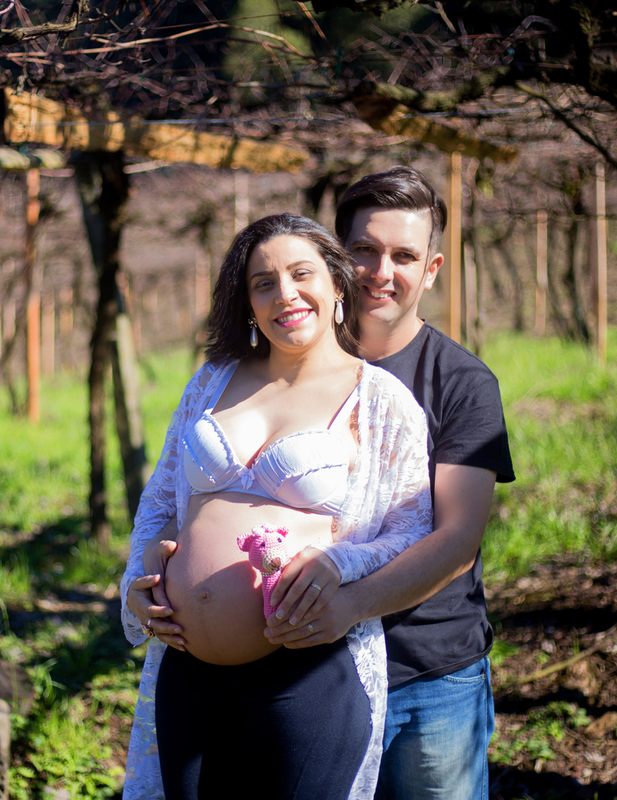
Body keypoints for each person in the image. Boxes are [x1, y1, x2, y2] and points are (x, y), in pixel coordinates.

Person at [119, 214, 434, 800]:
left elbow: (414, 533)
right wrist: (139, 579)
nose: (284, 294)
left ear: (338, 285)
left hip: (305, 670)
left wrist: (341, 564)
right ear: (246, 303)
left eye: (300, 274)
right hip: (189, 673)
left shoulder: (382, 401)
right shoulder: (211, 382)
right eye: (263, 282)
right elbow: (161, 499)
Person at [264, 167, 516, 799]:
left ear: (430, 270)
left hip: (428, 676)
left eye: (403, 255)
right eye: (364, 250)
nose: (382, 271)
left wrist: (348, 606)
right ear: (335, 258)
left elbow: (457, 542)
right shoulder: (279, 366)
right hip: (311, 667)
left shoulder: (461, 383)